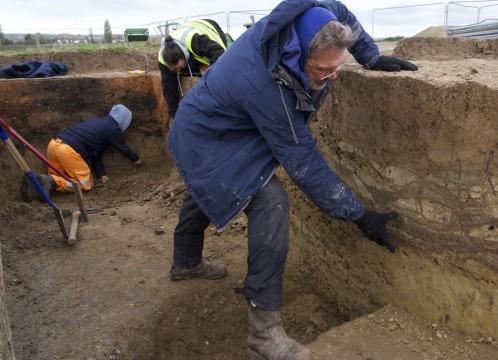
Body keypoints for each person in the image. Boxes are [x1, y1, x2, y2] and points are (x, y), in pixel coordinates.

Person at [168, 1, 417, 358]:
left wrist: (371, 56)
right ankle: (264, 335)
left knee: (218, 187)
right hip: (203, 137)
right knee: (267, 200)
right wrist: (359, 215)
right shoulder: (264, 84)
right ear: (299, 54)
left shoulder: (318, 15)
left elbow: (342, 14)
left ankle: (185, 262)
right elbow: (302, 160)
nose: (330, 79)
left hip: (224, 121)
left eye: (337, 69)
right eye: (322, 71)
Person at [20, 104, 141, 201]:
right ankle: (52, 182)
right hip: (67, 150)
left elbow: (96, 154)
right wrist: (136, 159)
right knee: (84, 183)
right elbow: (123, 148)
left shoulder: (99, 124)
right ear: (124, 120)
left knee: (59, 177)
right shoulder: (112, 128)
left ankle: (36, 186)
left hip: (53, 145)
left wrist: (101, 175)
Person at [157, 19, 228, 120]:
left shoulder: (196, 41)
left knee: (218, 69)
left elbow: (221, 56)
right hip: (191, 50)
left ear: (185, 55)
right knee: (185, 73)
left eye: (180, 67)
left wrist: (208, 84)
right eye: (175, 69)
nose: (178, 70)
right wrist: (174, 114)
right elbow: (168, 86)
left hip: (210, 28)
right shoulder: (163, 59)